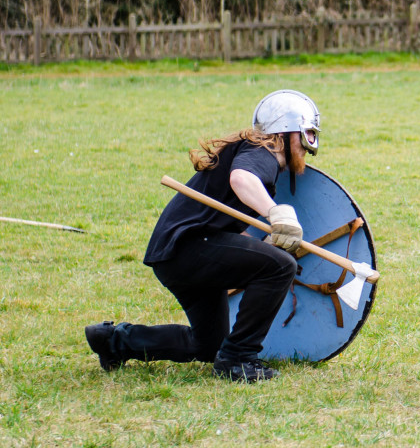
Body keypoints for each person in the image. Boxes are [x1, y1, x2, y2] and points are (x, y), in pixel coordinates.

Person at [84, 89, 321, 383]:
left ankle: (113, 341)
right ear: (285, 132)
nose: (309, 147)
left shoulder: (251, 151)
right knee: (281, 265)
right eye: (306, 135)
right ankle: (238, 359)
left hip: (178, 254)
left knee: (208, 344)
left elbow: (229, 221)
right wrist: (277, 213)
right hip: (190, 247)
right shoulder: (264, 151)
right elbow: (241, 179)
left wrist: (261, 249)